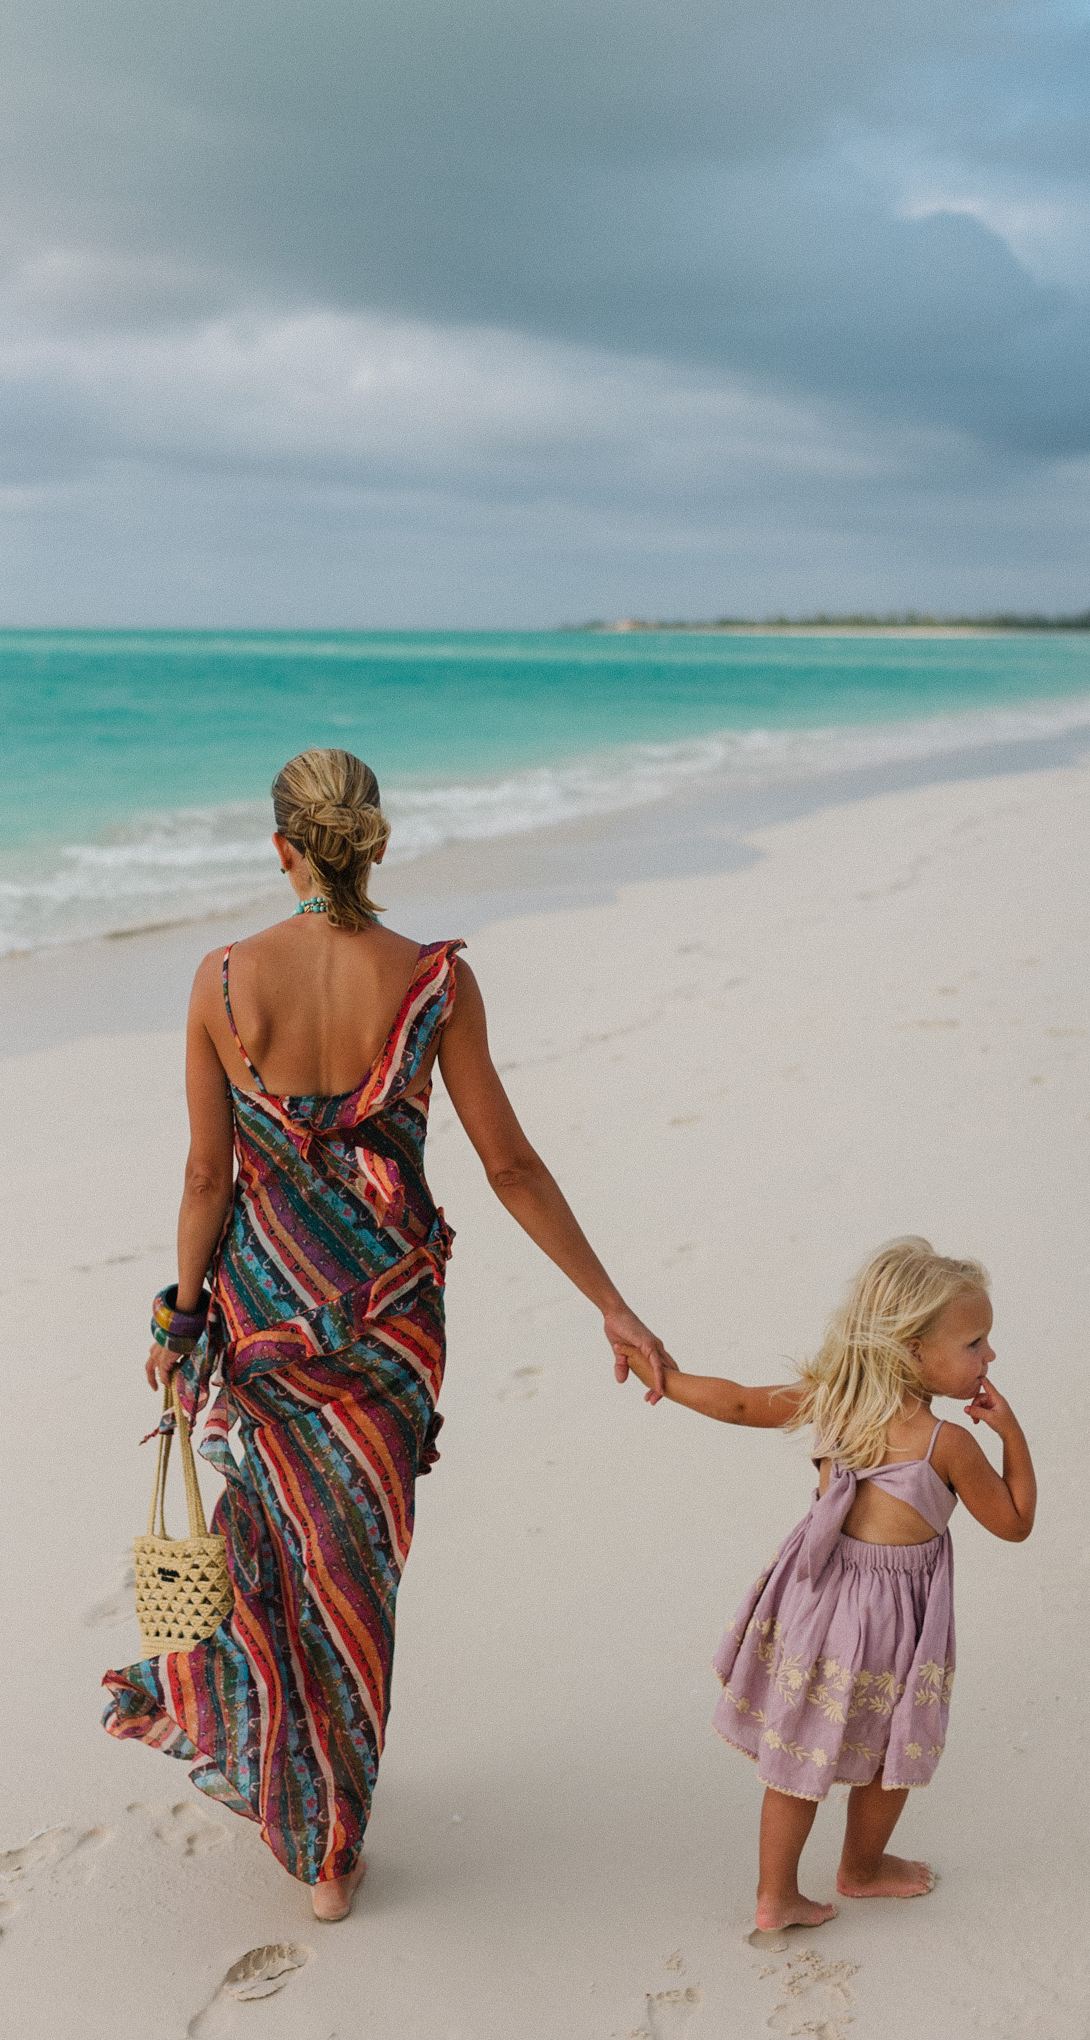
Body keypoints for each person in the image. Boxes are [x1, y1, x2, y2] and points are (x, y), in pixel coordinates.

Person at [103, 747, 671, 1922]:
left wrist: (181, 1312)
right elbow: (508, 1164)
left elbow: (208, 1175)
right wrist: (609, 1301)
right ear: (375, 842)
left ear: (282, 846)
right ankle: (334, 1843)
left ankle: (301, 1803)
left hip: (262, 1319)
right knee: (357, 1567)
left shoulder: (220, 982)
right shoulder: (434, 983)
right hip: (391, 1326)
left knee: (269, 1546)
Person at [615, 1236, 1036, 1933]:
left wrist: (662, 1375)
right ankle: (861, 1870)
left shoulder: (835, 1399)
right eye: (976, 1342)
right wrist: (1012, 1435)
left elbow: (741, 1404)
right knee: (887, 1747)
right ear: (911, 1350)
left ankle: (775, 1896)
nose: (989, 1356)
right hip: (893, 1620)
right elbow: (1016, 1521)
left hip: (814, 1601)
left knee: (796, 1749)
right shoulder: (946, 1444)